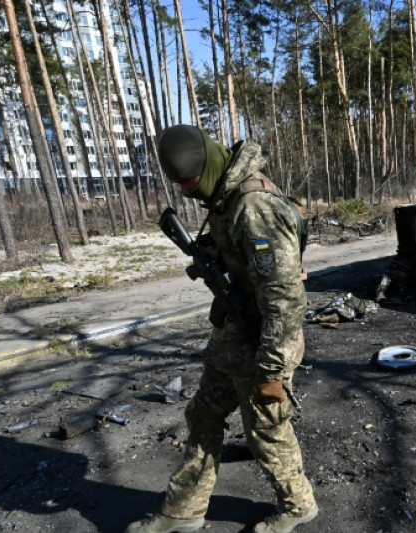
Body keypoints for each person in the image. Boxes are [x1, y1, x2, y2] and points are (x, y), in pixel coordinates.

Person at [126, 125, 317, 533]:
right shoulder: (225, 197)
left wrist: (272, 368)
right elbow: (238, 256)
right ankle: (184, 509)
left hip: (264, 340)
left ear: (208, 165)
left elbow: (284, 297)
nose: (185, 191)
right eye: (179, 183)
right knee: (204, 415)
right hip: (233, 336)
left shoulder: (254, 205)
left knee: (266, 429)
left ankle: (298, 504)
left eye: (190, 180)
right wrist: (208, 260)